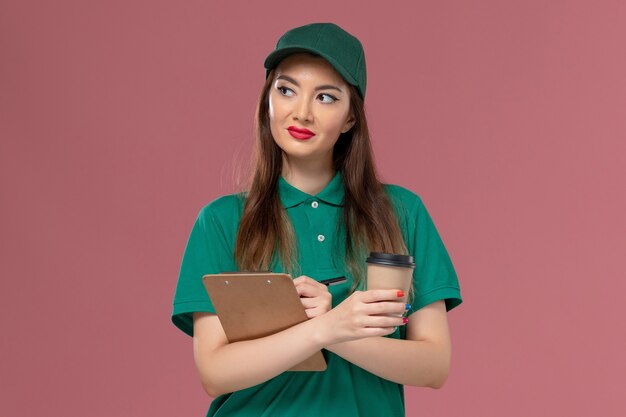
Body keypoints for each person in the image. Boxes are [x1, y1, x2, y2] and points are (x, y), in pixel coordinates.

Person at [172, 22, 463, 416]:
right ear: (267, 101)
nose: (302, 112)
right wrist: (324, 329)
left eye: (326, 97)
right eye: (286, 90)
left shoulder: (402, 213)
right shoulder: (223, 221)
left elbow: (433, 365)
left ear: (350, 119)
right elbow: (215, 372)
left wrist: (336, 330)